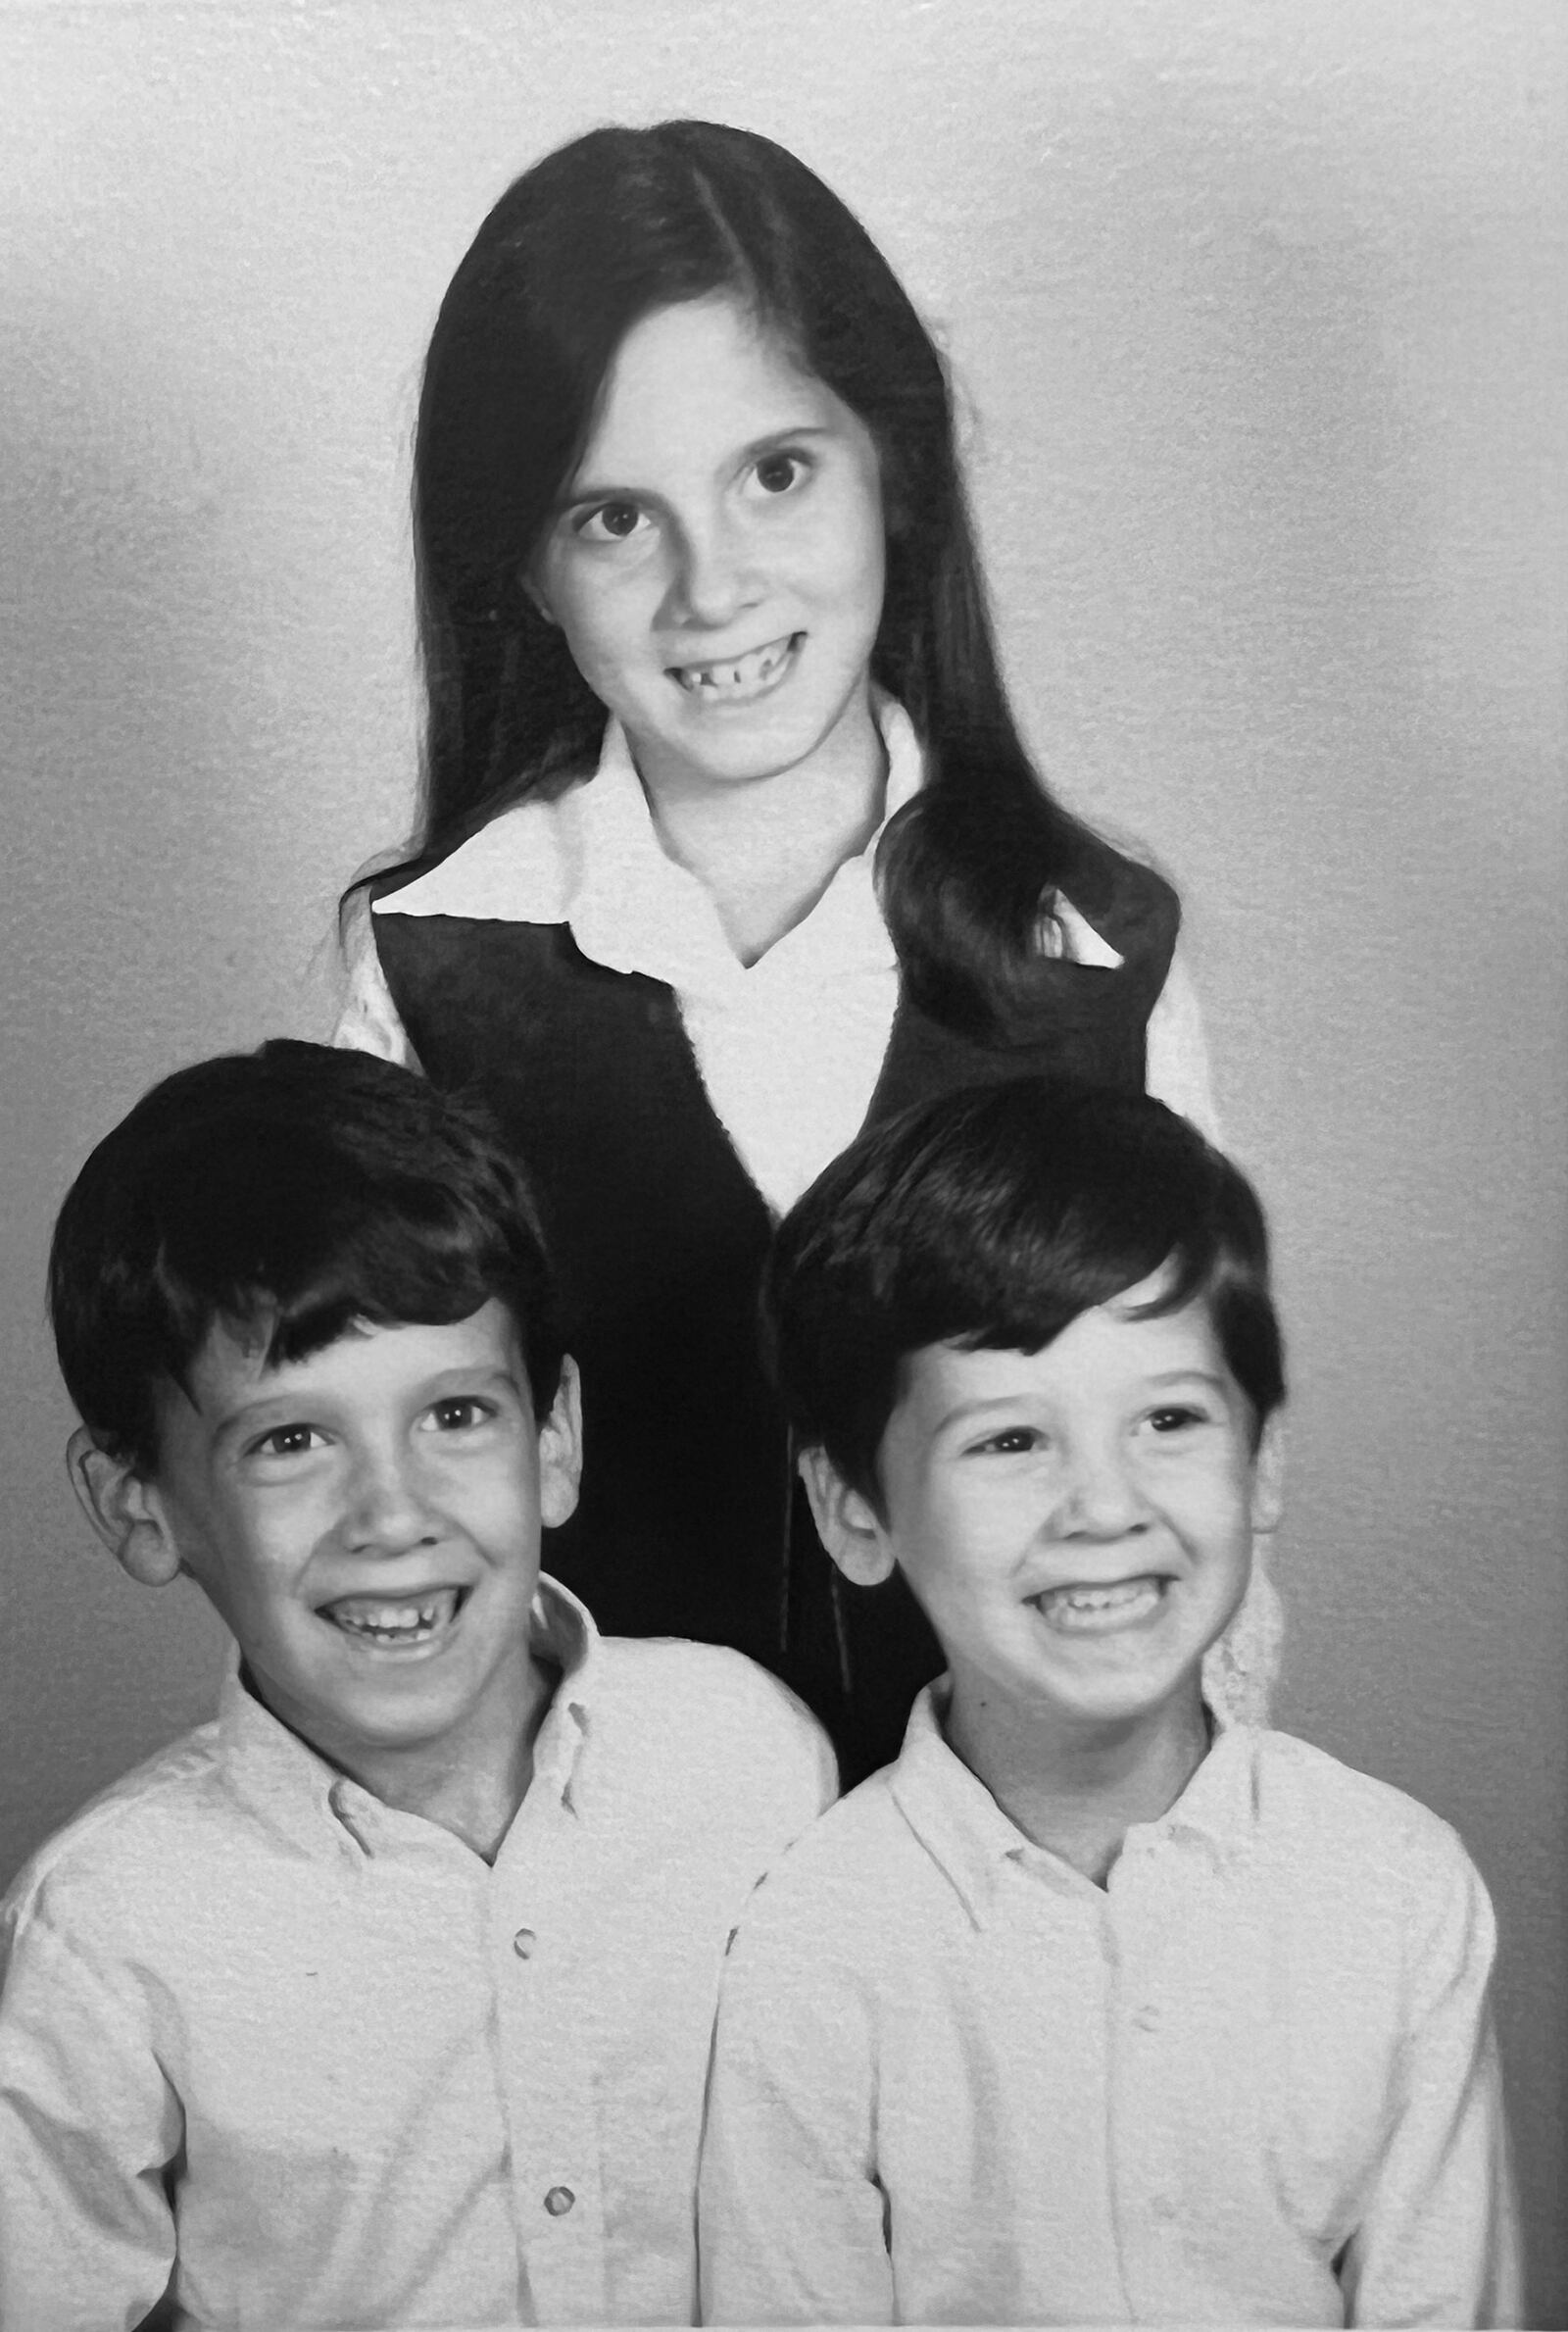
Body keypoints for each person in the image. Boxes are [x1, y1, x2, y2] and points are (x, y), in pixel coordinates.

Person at [336, 116, 1274, 1781]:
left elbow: (1211, 1507)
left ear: (891, 470)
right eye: (616, 516)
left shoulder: (1093, 951)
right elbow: (389, 1508)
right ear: (527, 570)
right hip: (608, 1918)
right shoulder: (433, 966)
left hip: (1017, 1907)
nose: (715, 586)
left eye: (776, 473)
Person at [0, 1041, 833, 2332]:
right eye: (291, 1439)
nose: (393, 1514)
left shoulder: (750, 1758)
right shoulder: (106, 1933)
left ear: (553, 1437)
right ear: (143, 1504)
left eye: (455, 1415)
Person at [698, 1077, 1521, 2327]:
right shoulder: (811, 1946)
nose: (1103, 1505)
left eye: (1169, 1419)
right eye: (1009, 1442)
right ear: (852, 1510)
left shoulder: (1394, 1891)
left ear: (1264, 1461)